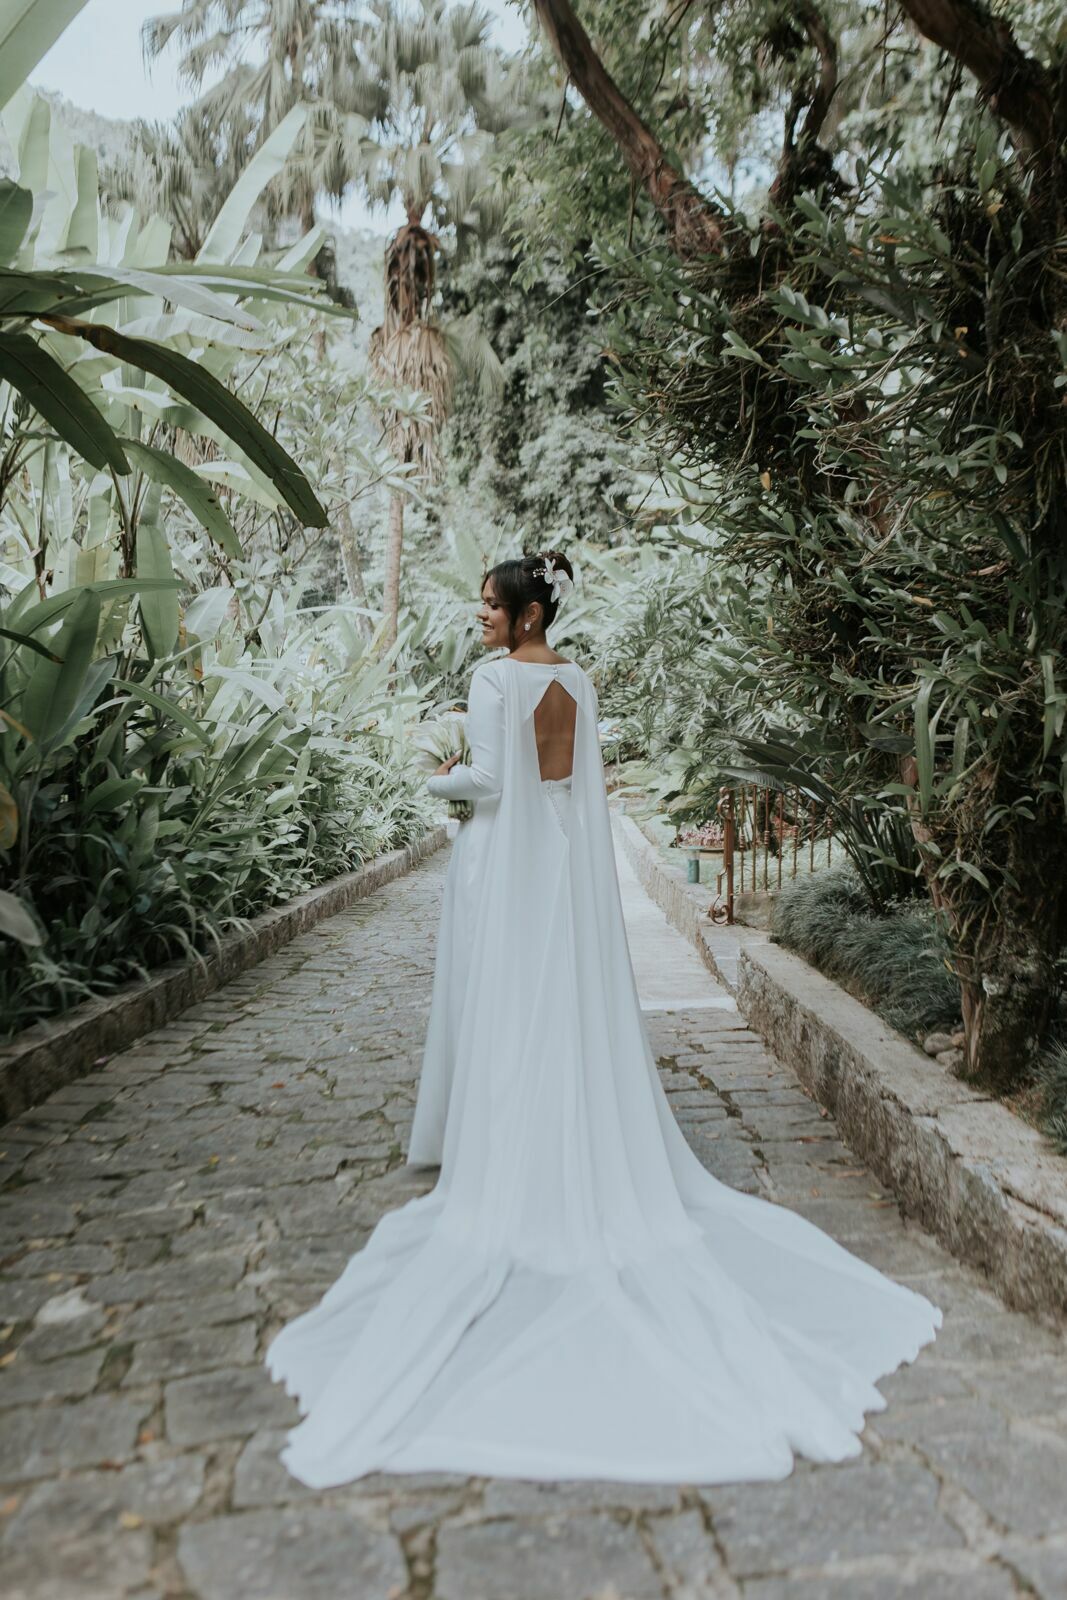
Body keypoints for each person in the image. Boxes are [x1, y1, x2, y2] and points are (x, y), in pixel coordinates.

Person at [265, 550, 941, 1489]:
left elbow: (489, 787)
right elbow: (566, 785)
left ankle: (511, 1149)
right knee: (560, 998)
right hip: (560, 858)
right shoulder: (576, 682)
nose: (480, 617)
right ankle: (569, 1131)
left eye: (490, 605)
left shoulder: (493, 681)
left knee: (509, 1001)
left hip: (505, 860)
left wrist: (440, 778)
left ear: (528, 613)